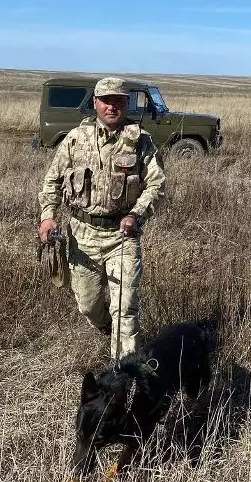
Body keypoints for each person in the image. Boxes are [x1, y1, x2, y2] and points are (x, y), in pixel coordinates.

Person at [37, 77, 166, 358]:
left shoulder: (140, 141)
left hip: (122, 237)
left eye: (118, 100)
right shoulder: (75, 139)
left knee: (126, 307)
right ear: (95, 103)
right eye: (106, 100)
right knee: (88, 305)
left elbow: (157, 185)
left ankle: (123, 375)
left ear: (126, 103)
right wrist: (48, 217)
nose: (112, 106)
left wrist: (135, 215)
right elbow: (52, 182)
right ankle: (109, 329)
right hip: (81, 236)